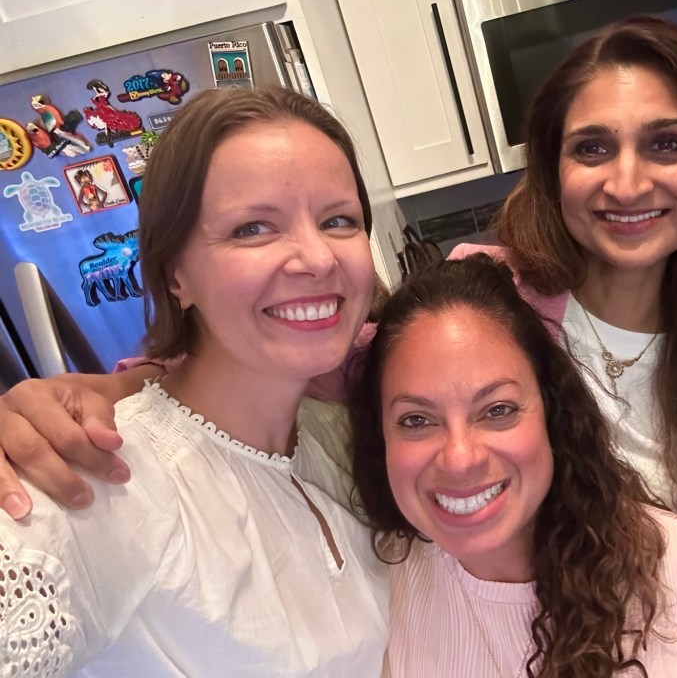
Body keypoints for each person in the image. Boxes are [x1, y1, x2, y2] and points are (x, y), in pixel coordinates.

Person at [0, 15, 677, 673]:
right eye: (252, 228)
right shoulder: (491, 294)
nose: (628, 181)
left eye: (337, 221)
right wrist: (110, 391)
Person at [452, 16, 677, 669]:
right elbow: (345, 371)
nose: (629, 184)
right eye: (592, 148)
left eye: (666, 144)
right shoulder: (487, 300)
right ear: (553, 170)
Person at [0, 86, 389, 675]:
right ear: (175, 274)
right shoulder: (106, 478)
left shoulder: (331, 435)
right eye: (253, 229)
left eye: (338, 220)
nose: (317, 258)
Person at [350, 254, 677, 677]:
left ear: (552, 411)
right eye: (417, 420)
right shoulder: (374, 600)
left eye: (498, 410)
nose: (460, 459)